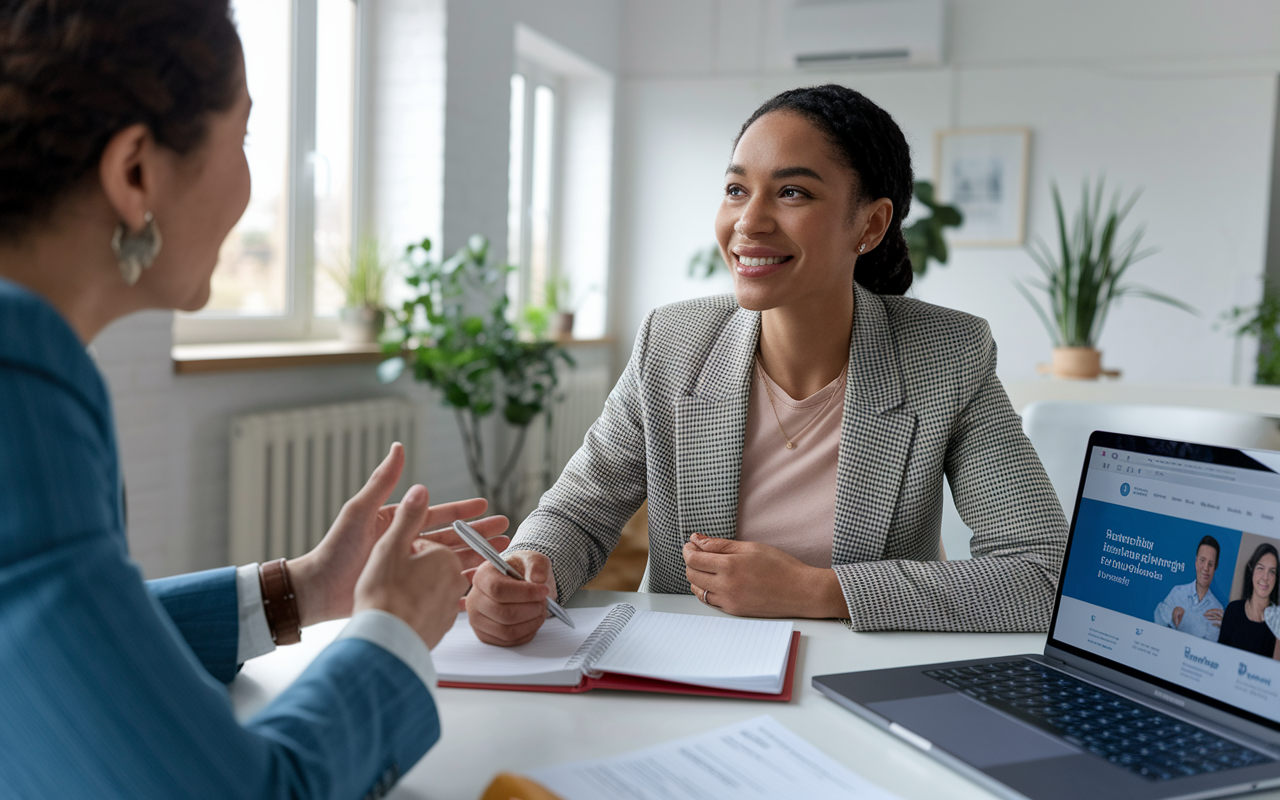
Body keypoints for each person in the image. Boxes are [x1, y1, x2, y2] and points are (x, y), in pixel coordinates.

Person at [0, 1, 508, 796]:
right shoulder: (19, 377)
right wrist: (392, 635)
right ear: (136, 170)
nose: (249, 182)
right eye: (242, 138)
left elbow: (54, 646)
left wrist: (301, 589)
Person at [466, 84, 1068, 647]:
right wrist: (529, 570)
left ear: (871, 224)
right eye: (736, 189)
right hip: (691, 670)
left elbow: (1043, 576)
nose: (748, 222)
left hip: (861, 678)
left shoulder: (946, 355)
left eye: (792, 192)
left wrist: (820, 592)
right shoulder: (673, 343)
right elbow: (579, 514)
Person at [1153, 536, 1224, 641]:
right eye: (1202, 560)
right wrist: (1171, 617)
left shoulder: (1218, 610)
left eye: (1211, 564)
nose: (1205, 568)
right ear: (1196, 562)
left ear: (1215, 567)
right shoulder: (1177, 592)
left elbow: (1209, 646)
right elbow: (1157, 621)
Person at [1218, 543, 1280, 658]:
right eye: (1260, 568)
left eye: (1272, 571)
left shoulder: (1278, 622)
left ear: (1276, 579)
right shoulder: (1233, 610)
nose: (1265, 577)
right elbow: (1219, 657)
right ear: (1251, 571)